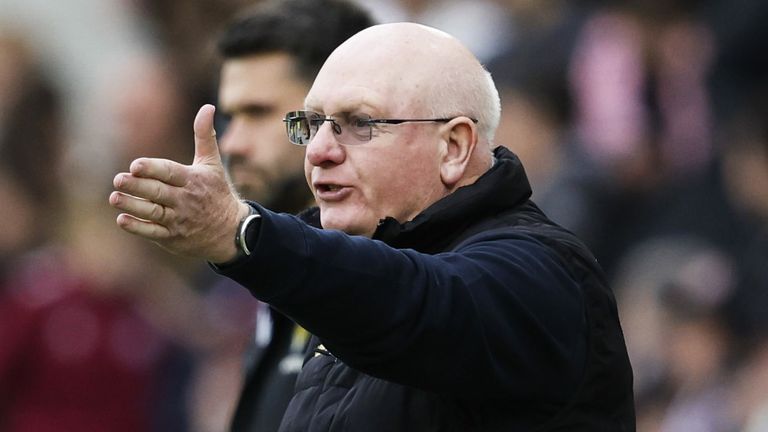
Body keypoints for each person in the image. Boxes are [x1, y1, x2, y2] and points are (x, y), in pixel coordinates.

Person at [110, 22, 635, 431]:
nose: (317, 151)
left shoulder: (539, 272)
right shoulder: (340, 285)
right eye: (311, 124)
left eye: (359, 123)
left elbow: (419, 299)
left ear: (453, 148)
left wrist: (243, 233)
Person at [210, 1, 374, 430]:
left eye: (258, 113)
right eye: (230, 116)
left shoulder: (390, 287)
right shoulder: (270, 263)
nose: (232, 143)